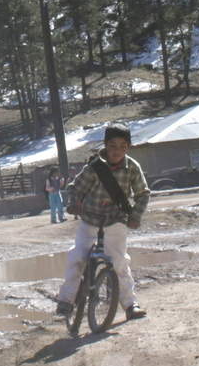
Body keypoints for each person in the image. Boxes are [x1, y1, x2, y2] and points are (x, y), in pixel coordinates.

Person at [54, 125, 151, 322]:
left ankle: (131, 305)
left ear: (128, 147)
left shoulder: (132, 167)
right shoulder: (94, 167)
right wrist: (74, 204)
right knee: (77, 258)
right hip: (90, 219)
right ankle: (66, 301)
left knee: (120, 263)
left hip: (116, 220)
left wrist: (135, 216)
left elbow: (143, 194)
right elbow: (76, 188)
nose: (117, 151)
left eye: (123, 146)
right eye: (113, 145)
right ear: (105, 146)